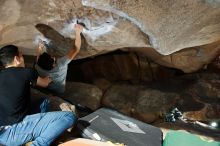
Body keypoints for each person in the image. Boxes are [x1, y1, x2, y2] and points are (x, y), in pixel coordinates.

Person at [0, 45, 76, 146]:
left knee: (44, 103)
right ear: (16, 59)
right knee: (69, 116)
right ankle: (37, 144)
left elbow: (35, 65)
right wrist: (49, 78)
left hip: (3, 129)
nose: (23, 58)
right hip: (12, 131)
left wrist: (39, 51)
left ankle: (33, 132)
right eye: (22, 56)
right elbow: (44, 83)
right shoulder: (25, 72)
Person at [35, 24, 83, 95]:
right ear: (54, 64)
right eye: (53, 58)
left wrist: (39, 48)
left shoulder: (38, 66)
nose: (53, 57)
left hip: (46, 89)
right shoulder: (61, 65)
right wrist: (78, 32)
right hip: (60, 92)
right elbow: (76, 49)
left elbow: (38, 57)